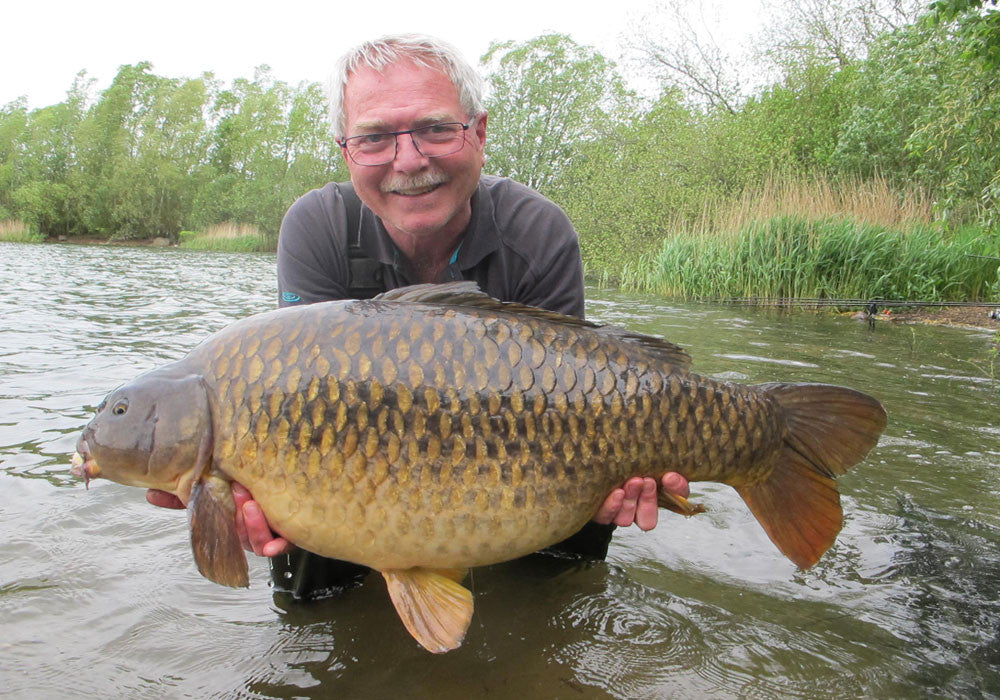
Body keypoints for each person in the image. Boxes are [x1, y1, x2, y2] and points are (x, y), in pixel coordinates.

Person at [147, 33, 690, 599]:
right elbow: (306, 411)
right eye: (375, 137)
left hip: (533, 472)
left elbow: (574, 394)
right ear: (346, 151)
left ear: (478, 133)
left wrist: (619, 477)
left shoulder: (537, 231)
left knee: (568, 561)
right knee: (303, 534)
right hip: (358, 471)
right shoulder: (318, 229)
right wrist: (239, 499)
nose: (408, 161)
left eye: (435, 129)